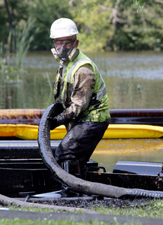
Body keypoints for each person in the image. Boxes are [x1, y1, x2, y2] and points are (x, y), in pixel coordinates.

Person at [48, 18, 110, 178]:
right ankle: (80, 185)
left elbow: (78, 106)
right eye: (58, 43)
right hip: (81, 120)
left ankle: (72, 190)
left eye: (67, 43)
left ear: (76, 43)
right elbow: (61, 98)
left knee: (67, 152)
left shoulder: (84, 68)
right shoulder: (65, 65)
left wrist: (56, 121)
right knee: (72, 155)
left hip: (93, 119)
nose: (62, 48)